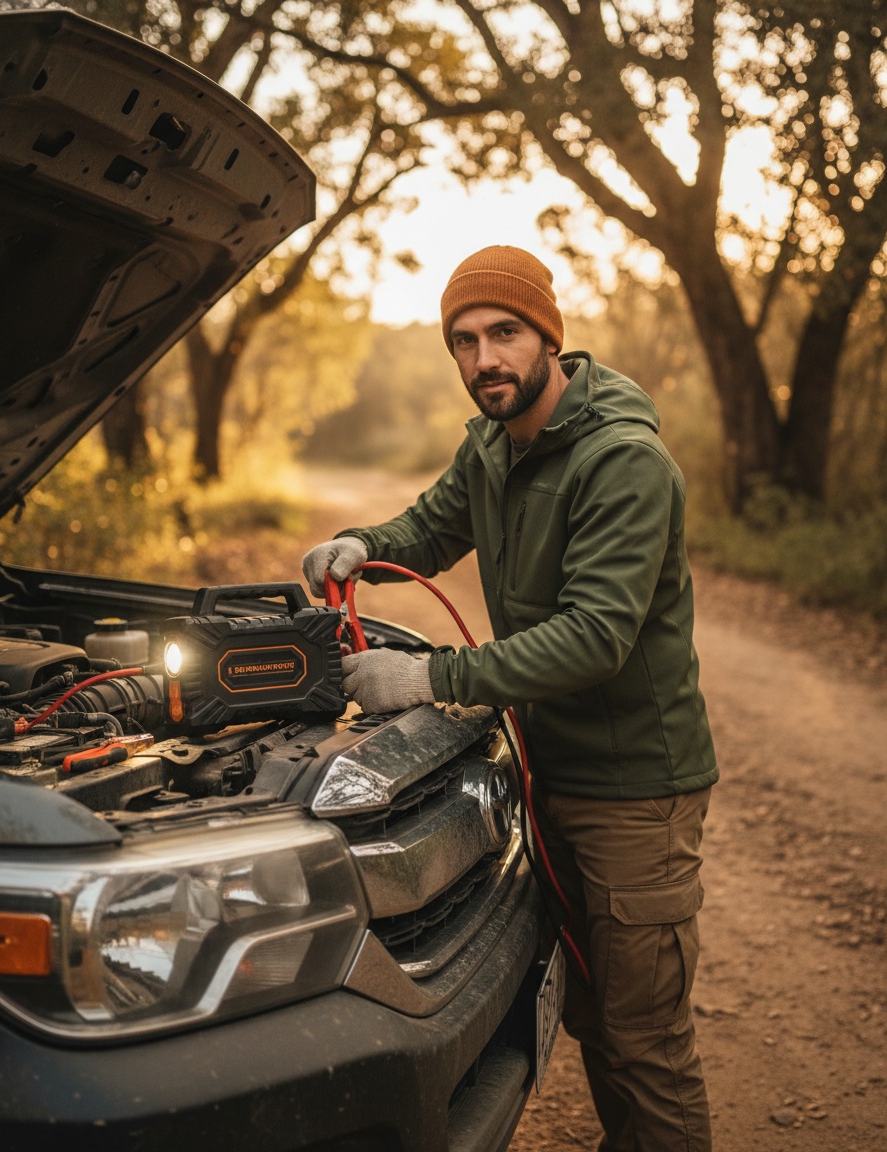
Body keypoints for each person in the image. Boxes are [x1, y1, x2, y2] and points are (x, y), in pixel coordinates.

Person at [302, 245, 718, 1152]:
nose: (484, 358)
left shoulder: (624, 462)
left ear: (547, 338)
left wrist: (427, 677)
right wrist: (358, 543)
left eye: (504, 333)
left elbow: (597, 637)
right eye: (464, 341)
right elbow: (430, 526)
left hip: (635, 789)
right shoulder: (492, 441)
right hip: (548, 774)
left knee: (646, 1045)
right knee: (597, 1022)